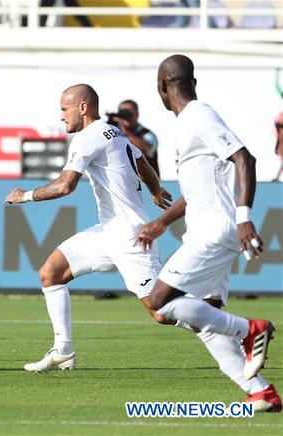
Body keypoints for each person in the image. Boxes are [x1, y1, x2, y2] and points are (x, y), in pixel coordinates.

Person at [135, 54, 279, 412]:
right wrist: (163, 221)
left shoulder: (199, 115)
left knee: (159, 301)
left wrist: (244, 217)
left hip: (214, 230)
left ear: (162, 88)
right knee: (207, 317)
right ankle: (260, 392)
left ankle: (250, 330)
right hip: (209, 228)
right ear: (193, 82)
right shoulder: (188, 123)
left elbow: (245, 159)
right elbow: (199, 190)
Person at [4, 83, 174, 373]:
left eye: (64, 109)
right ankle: (63, 351)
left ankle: (235, 330)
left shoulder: (87, 138)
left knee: (161, 313)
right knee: (51, 273)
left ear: (82, 107)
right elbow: (141, 160)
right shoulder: (114, 131)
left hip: (130, 237)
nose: (61, 116)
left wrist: (25, 196)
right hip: (108, 231)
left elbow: (65, 185)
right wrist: (155, 191)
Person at [110, 99, 160, 177]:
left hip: (149, 185)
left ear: (137, 114)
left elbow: (148, 148)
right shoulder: (114, 132)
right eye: (123, 113)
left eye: (130, 114)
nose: (127, 117)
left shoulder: (147, 134)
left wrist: (123, 132)